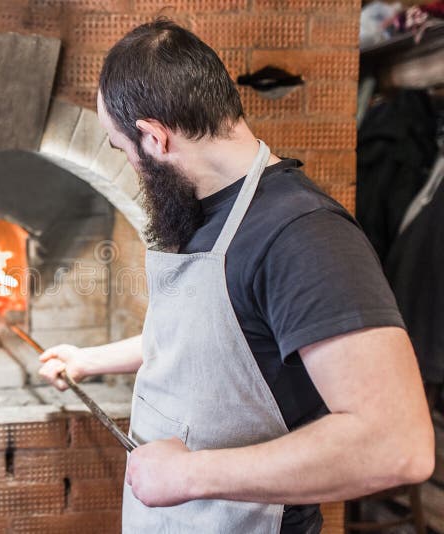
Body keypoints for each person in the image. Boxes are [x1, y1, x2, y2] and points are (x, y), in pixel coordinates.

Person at [38, 18, 434, 534]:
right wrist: (90, 360)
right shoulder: (205, 212)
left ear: (155, 137)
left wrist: (190, 474)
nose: (131, 167)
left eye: (121, 149)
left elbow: (396, 445)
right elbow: (213, 339)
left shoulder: (303, 235)